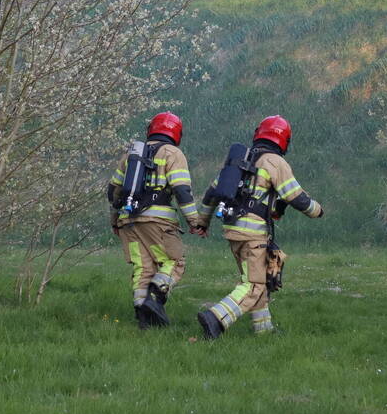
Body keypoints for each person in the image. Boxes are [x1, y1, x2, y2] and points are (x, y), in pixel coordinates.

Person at [196, 115, 323, 339]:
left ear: (259, 134)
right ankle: (215, 318)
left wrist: (202, 222)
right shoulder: (275, 162)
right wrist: (317, 210)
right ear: (284, 140)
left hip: (233, 230)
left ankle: (264, 332)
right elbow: (296, 196)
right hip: (253, 233)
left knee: (259, 283)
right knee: (254, 284)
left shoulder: (240, 161)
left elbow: (211, 193)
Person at [107, 112, 206, 329]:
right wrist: (194, 220)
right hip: (158, 222)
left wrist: (115, 219)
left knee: (143, 268)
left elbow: (113, 191)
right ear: (176, 132)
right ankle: (154, 297)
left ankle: (143, 319)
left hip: (128, 222)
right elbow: (182, 191)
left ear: (151, 129)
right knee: (174, 261)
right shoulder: (173, 153)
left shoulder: (130, 155)